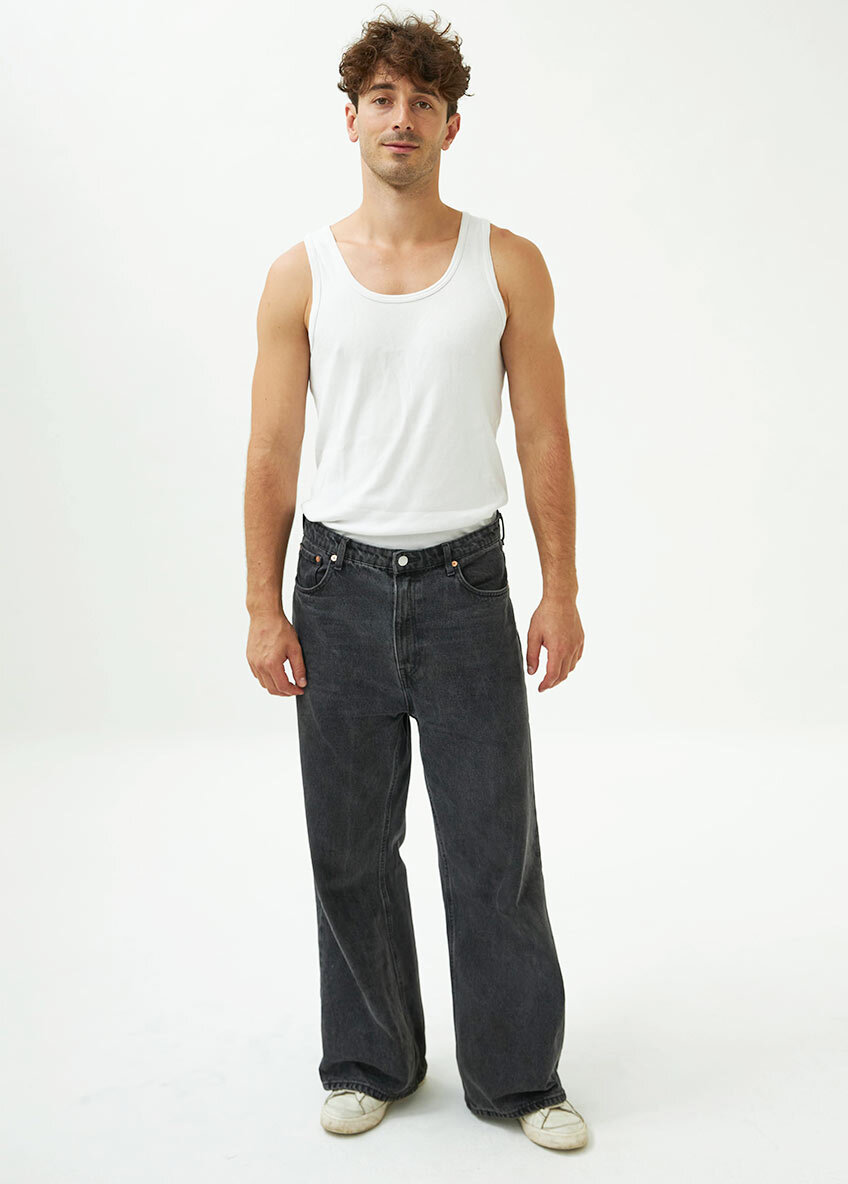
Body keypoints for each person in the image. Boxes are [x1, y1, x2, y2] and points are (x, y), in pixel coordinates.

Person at [243, 10, 588, 1152]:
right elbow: (271, 450)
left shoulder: (507, 263)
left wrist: (558, 588)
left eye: (423, 102)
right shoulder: (298, 275)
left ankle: (517, 1078)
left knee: (493, 847)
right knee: (348, 847)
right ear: (350, 119)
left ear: (450, 126)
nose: (402, 118)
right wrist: (262, 603)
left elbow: (542, 434)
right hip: (335, 583)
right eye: (382, 99)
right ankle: (370, 1059)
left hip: (465, 585)